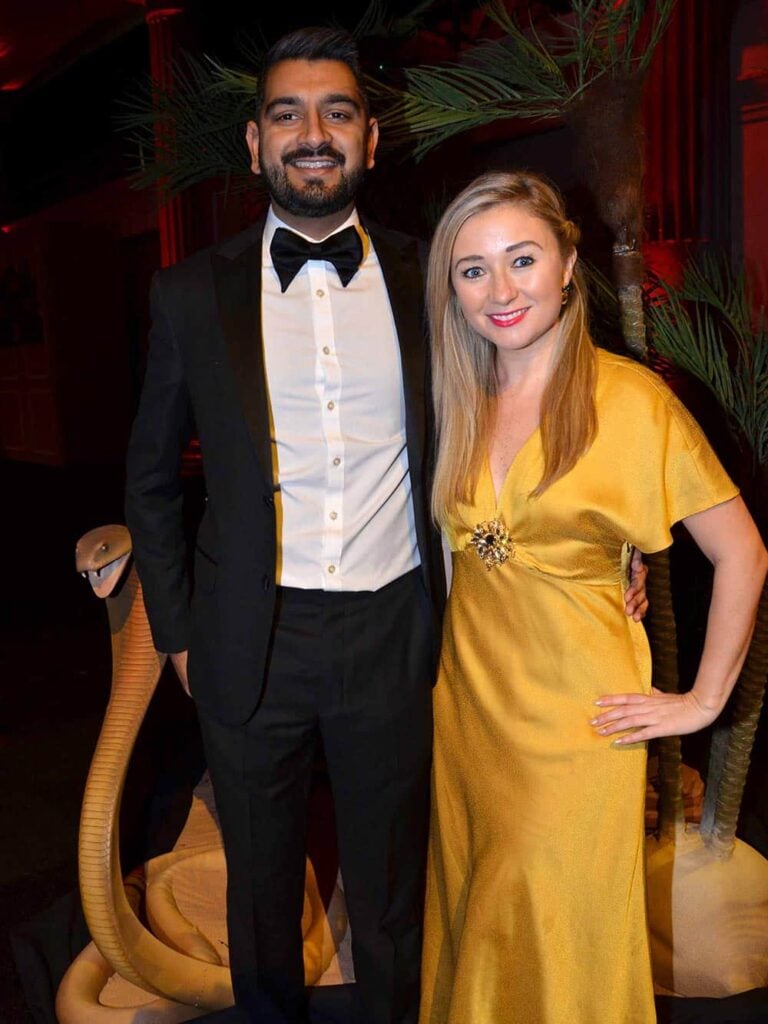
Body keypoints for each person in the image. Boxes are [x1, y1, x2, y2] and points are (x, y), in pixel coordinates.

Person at [124, 28, 647, 1023]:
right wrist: (183, 637)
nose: (312, 133)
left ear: (369, 138)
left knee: (396, 897)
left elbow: (522, 414)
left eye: (336, 112)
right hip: (247, 636)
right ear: (255, 142)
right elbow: (149, 482)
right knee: (259, 897)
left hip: (396, 629)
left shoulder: (433, 281)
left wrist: (605, 541)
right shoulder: (188, 294)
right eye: (287, 114)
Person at [419, 170, 768, 1024]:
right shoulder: (455, 398)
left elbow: (744, 553)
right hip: (470, 717)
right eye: (473, 270)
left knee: (559, 927)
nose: (500, 291)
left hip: (581, 722)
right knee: (483, 919)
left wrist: (702, 703)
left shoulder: (632, 401)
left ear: (568, 266)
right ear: (451, 289)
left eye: (522, 259)